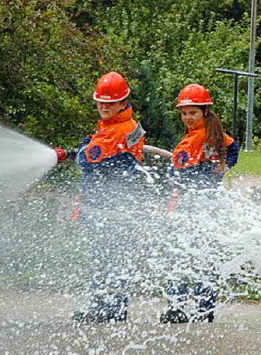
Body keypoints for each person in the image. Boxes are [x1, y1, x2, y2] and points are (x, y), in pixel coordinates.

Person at [68, 71, 146, 323]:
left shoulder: (113, 132)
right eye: (101, 102)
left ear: (123, 102)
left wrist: (82, 146)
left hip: (106, 211)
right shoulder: (130, 126)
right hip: (120, 209)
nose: (103, 106)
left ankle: (103, 308)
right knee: (115, 259)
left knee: (103, 260)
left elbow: (86, 160)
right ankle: (115, 308)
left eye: (110, 103)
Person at [159, 83, 239, 324]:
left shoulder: (202, 137)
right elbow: (231, 151)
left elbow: (182, 173)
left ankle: (181, 307)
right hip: (198, 206)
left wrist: (219, 170)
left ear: (204, 111)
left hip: (195, 208)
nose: (187, 118)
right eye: (184, 113)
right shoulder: (208, 136)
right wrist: (221, 169)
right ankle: (200, 309)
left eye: (192, 113)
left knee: (186, 257)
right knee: (195, 257)